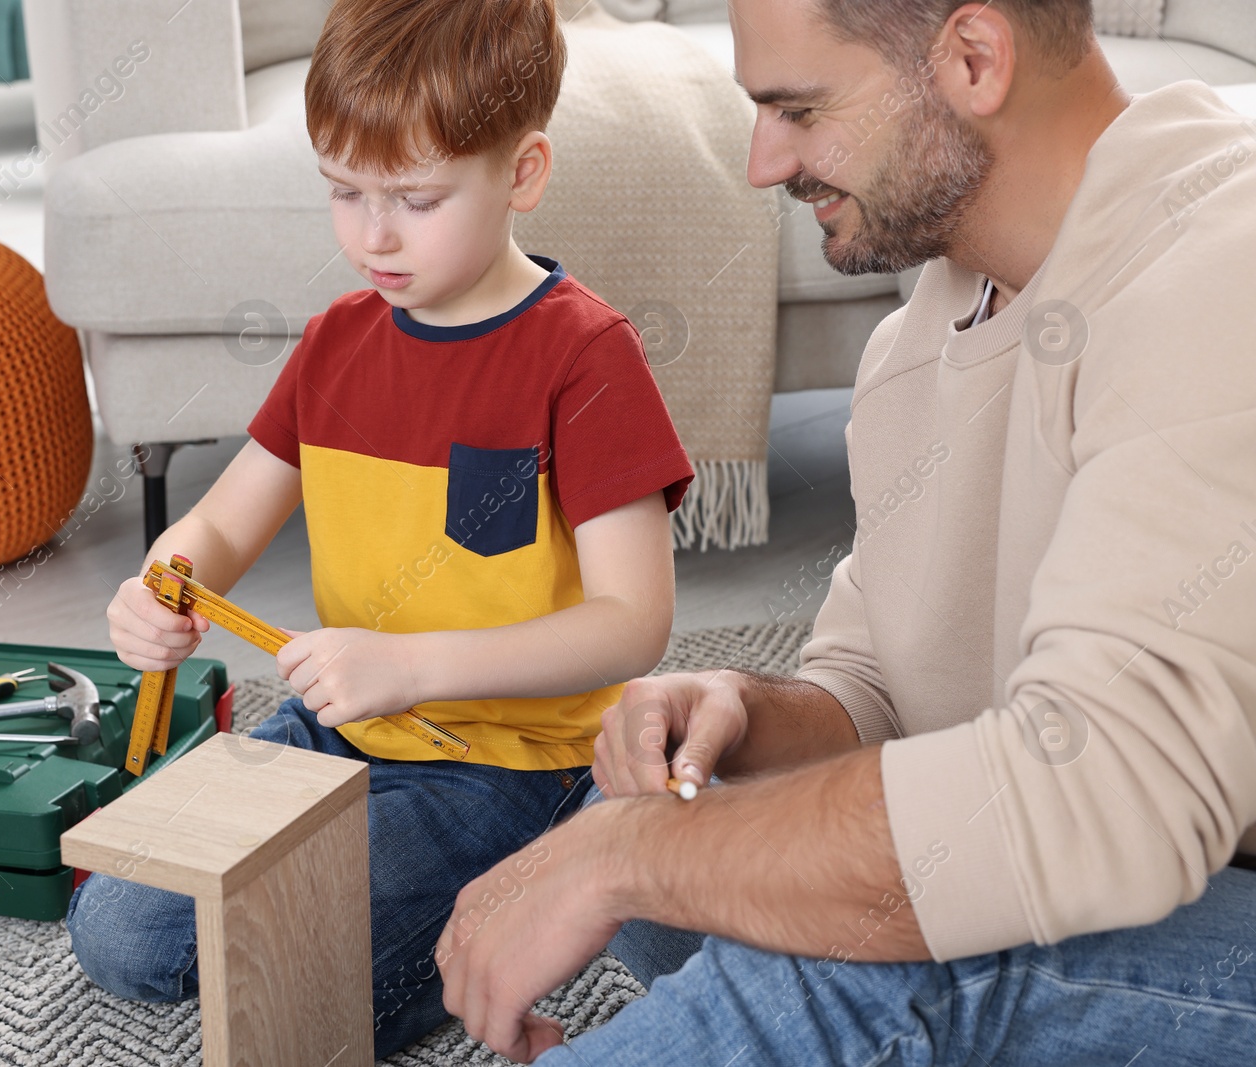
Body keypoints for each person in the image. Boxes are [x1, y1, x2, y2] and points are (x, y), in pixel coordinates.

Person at [435, 0, 1256, 1063]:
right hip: (1133, 870)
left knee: (871, 946)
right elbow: (881, 689)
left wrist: (624, 858)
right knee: (663, 799)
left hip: (1197, 879)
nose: (761, 164)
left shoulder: (1218, 263)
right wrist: (738, 710)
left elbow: (1097, 801)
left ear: (972, 58)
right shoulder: (922, 336)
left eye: (798, 109)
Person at [64, 0, 694, 1057]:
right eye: (343, 192)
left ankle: (548, 894)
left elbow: (634, 623)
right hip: (336, 736)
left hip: (517, 767)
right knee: (119, 932)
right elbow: (219, 523)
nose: (372, 234)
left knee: (286, 997)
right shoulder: (335, 342)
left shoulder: (584, 356)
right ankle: (495, 934)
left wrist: (410, 664)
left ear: (522, 174)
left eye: (414, 198)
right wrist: (160, 585)